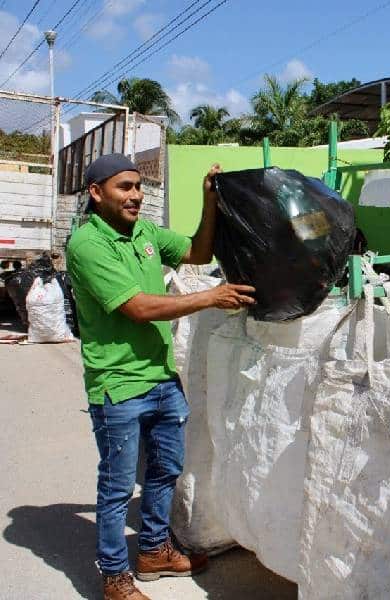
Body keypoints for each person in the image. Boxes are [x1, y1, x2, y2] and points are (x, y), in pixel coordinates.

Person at [67, 154, 255, 600]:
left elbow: (198, 252)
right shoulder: (87, 245)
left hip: (161, 378)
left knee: (166, 469)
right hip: (118, 385)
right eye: (124, 187)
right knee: (116, 487)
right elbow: (138, 308)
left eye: (137, 186)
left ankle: (154, 550)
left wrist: (207, 201)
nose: (135, 195)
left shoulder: (146, 232)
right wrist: (211, 297)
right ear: (97, 193)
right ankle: (115, 577)